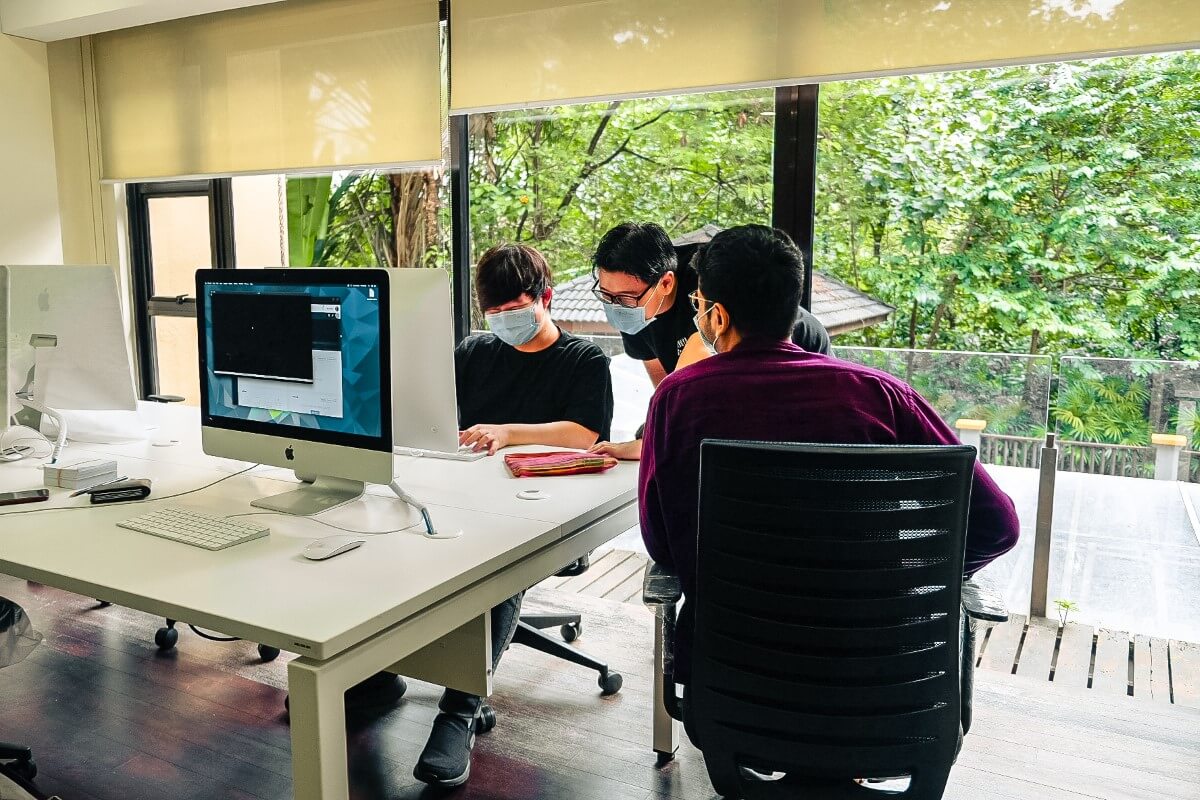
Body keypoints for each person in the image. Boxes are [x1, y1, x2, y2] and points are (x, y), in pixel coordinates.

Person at [638, 224, 1020, 684]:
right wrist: (910, 583)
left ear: (716, 316)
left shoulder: (677, 399)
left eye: (698, 305)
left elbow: (662, 542)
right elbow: (998, 525)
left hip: (733, 673)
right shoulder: (880, 396)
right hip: (883, 675)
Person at [342, 244, 613, 789]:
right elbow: (432, 415)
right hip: (462, 501)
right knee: (382, 538)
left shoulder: (584, 361)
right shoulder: (473, 353)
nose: (504, 323)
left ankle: (459, 711)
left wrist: (507, 431)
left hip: (546, 521)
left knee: (495, 574)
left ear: (546, 299)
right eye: (495, 314)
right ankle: (380, 673)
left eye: (516, 309)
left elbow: (585, 435)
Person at [588, 222, 829, 460]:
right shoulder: (633, 309)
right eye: (606, 295)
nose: (615, 306)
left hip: (785, 348)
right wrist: (652, 432)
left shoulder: (704, 280)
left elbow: (684, 389)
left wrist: (647, 445)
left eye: (625, 298)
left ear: (666, 283)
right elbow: (664, 390)